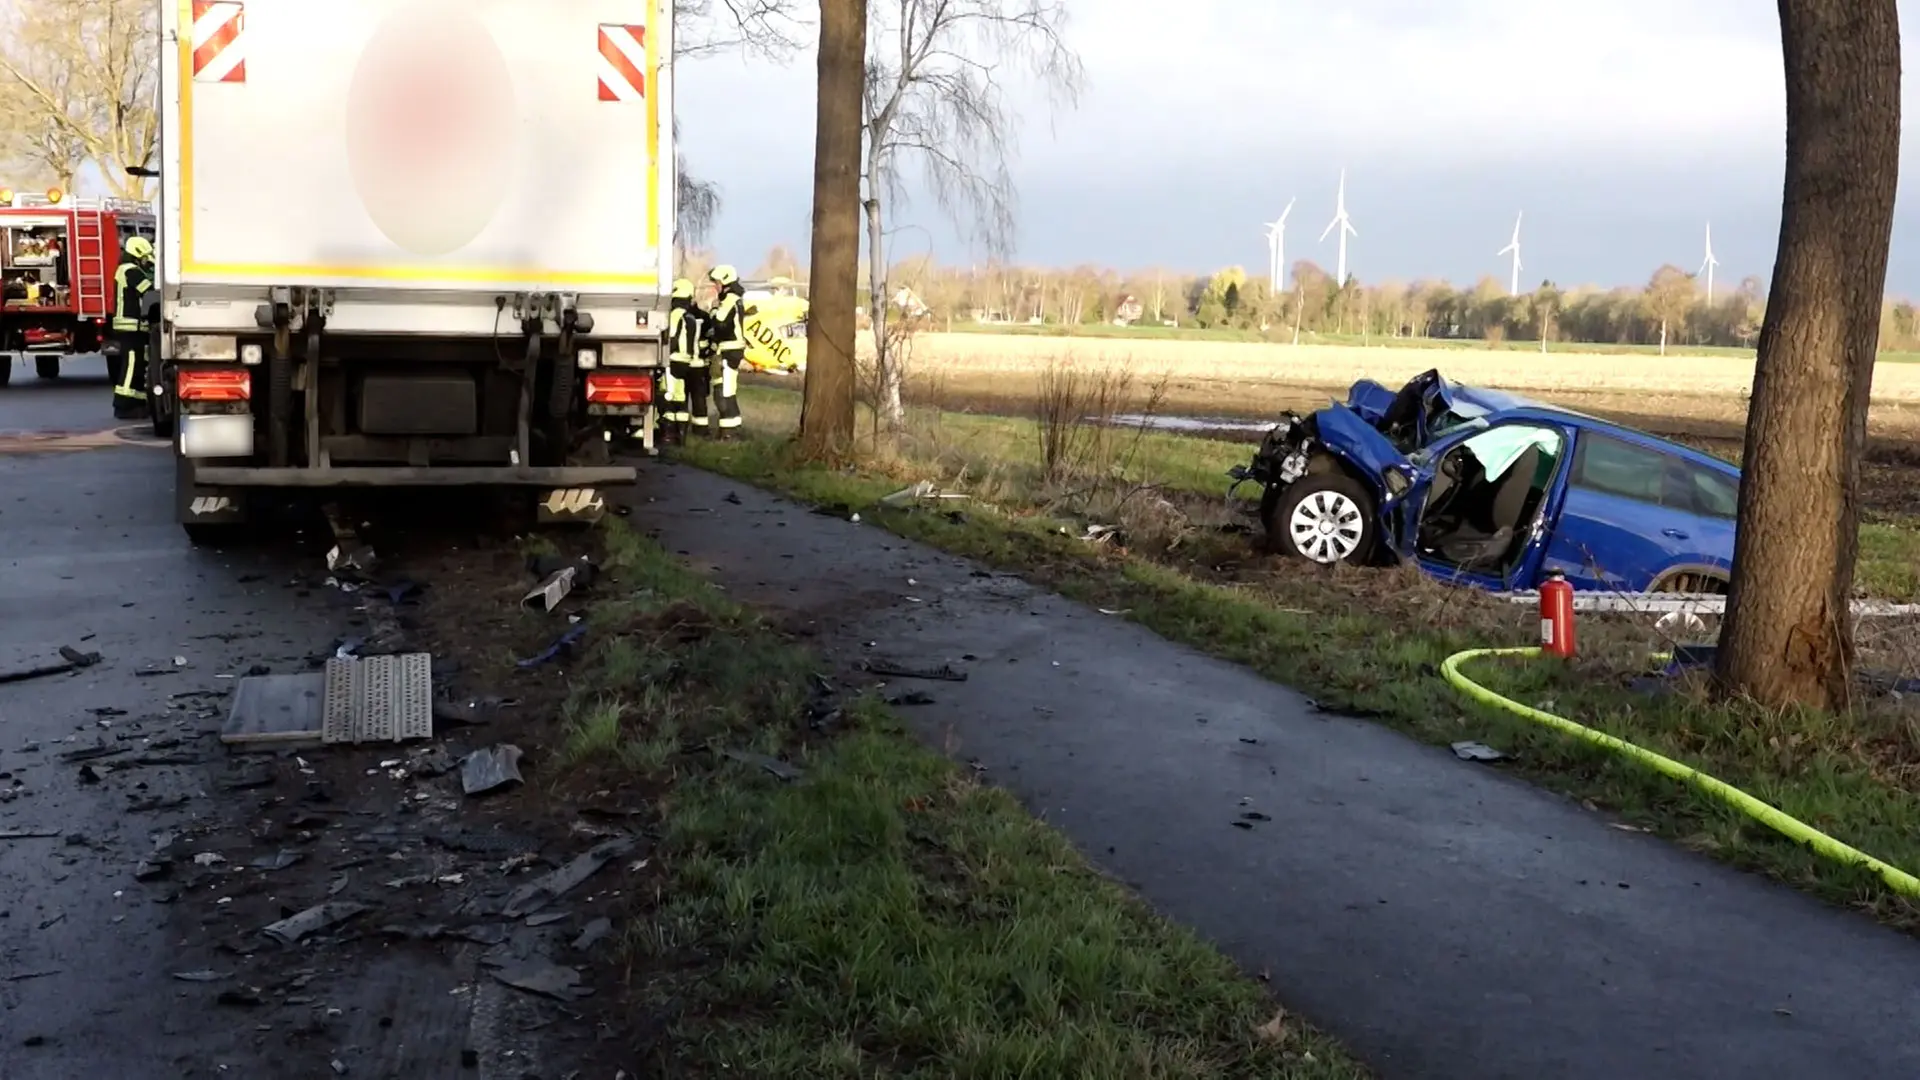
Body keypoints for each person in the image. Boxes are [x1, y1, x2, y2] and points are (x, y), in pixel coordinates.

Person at [109, 235, 155, 419]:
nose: (146, 262)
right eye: (145, 258)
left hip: (132, 327)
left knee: (136, 365)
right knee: (131, 366)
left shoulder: (125, 269)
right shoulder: (131, 271)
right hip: (131, 327)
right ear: (137, 255)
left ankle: (136, 403)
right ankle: (124, 405)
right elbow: (149, 291)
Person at [703, 264, 747, 439]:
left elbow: (719, 322)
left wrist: (713, 310)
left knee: (724, 391)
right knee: (725, 389)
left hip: (728, 351)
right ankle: (731, 430)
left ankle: (729, 433)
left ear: (726, 281)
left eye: (717, 282)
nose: (716, 286)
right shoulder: (734, 298)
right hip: (730, 350)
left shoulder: (730, 299)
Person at [658, 277, 700, 444]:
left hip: (673, 360)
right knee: (680, 398)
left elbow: (672, 337)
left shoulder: (675, 315)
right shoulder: (690, 316)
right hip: (686, 362)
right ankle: (682, 436)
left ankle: (668, 435)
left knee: (667, 396)